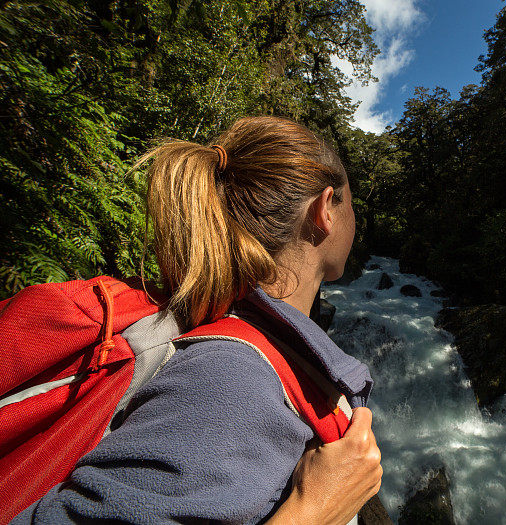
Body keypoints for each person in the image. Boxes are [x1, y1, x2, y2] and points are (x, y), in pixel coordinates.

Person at [11, 116, 382, 524]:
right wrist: (314, 510)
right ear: (324, 208)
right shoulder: (235, 380)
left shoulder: (240, 348)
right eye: (349, 204)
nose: (354, 218)